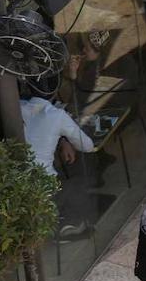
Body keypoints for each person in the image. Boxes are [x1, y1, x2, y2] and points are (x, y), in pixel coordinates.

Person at [21, 92, 96, 235]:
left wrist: (62, 139)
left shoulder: (17, 107)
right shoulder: (57, 115)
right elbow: (87, 146)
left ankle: (59, 221)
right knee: (79, 183)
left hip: (20, 184)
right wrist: (64, 135)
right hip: (44, 188)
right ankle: (68, 226)